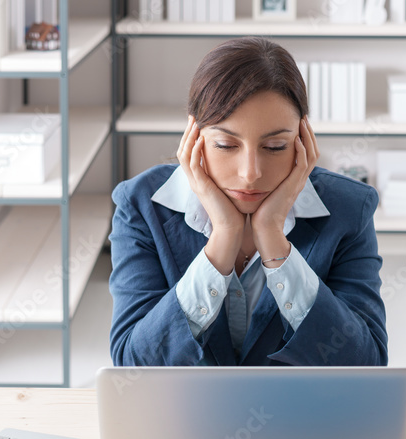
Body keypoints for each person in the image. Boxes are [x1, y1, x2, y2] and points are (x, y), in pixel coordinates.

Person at [108, 36, 387, 366]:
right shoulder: (140, 205)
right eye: (226, 145)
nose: (250, 174)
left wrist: (273, 240)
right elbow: (132, 363)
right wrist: (223, 238)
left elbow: (366, 363)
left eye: (274, 147)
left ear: (302, 139)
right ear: (194, 137)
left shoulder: (350, 208)